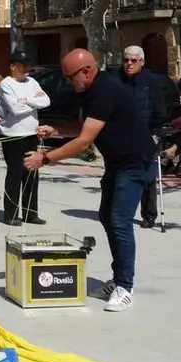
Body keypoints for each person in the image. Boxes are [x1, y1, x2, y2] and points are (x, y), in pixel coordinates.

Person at [26, 49, 156, 313]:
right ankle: (117, 277)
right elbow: (85, 127)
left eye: (69, 77)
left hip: (134, 163)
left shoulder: (105, 90)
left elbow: (85, 141)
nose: (67, 82)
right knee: (106, 217)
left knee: (119, 221)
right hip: (117, 164)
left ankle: (125, 286)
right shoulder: (90, 91)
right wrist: (57, 131)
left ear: (86, 71)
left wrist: (45, 159)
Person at [0, 50, 51, 225]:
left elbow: (46, 101)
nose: (27, 68)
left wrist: (26, 100)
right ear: (13, 66)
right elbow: (15, 109)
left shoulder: (33, 82)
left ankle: (30, 213)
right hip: (13, 136)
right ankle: (11, 215)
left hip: (31, 134)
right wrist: (33, 102)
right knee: (15, 174)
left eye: (28, 65)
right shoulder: (6, 84)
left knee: (31, 174)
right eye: (23, 65)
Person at [118, 46, 165, 229]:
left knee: (147, 177)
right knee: (121, 175)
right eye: (126, 60)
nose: (128, 64)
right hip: (123, 136)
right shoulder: (118, 80)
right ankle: (122, 211)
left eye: (133, 60)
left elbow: (160, 111)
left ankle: (149, 215)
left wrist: (156, 134)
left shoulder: (152, 81)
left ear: (142, 62)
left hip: (147, 135)